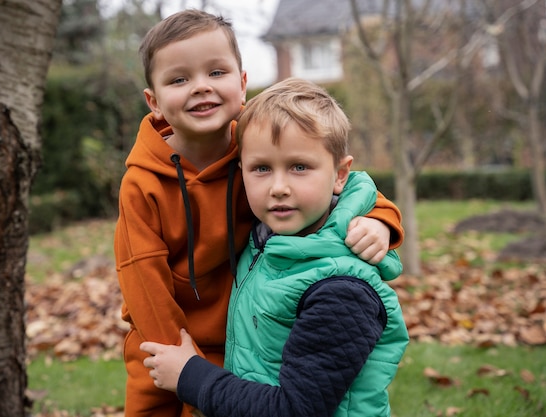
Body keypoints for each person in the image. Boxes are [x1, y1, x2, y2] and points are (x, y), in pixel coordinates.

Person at [114, 9, 405, 417]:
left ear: (242, 83)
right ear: (154, 101)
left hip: (250, 330)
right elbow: (142, 283)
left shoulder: (257, 149)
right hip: (168, 341)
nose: (201, 88)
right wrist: (180, 361)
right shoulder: (143, 183)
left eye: (216, 72)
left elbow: (352, 187)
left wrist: (381, 221)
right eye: (179, 79)